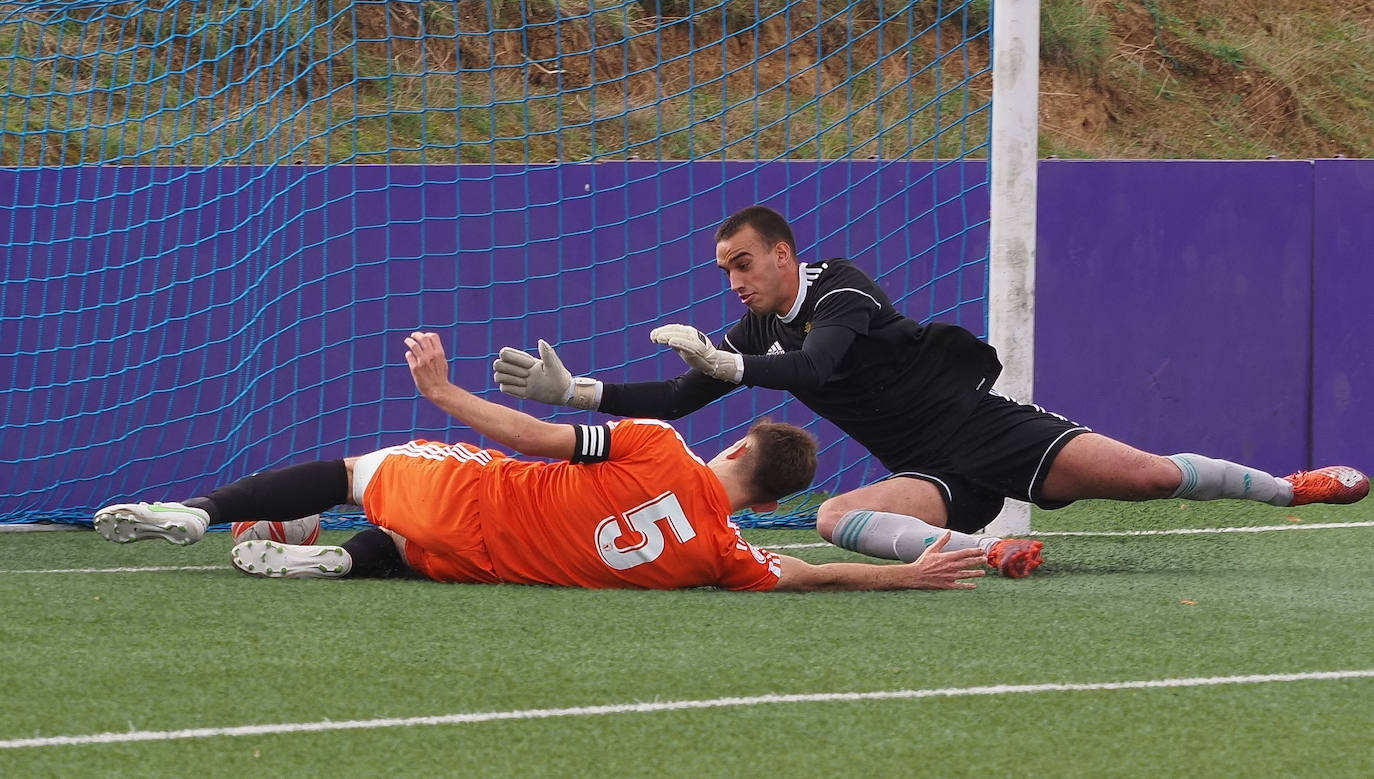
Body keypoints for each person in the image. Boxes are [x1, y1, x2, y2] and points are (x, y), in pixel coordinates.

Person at [493, 204, 1370, 576]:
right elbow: (684, 399)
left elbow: (817, 369)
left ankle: (1294, 485)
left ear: (784, 254)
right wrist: (579, 392)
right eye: (724, 271)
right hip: (924, 466)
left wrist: (729, 365)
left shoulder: (839, 288)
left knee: (1148, 475)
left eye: (743, 265)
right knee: (835, 517)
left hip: (986, 428)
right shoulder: (758, 327)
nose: (734, 284)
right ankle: (993, 554)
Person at [92, 332, 1006, 592]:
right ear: (772, 492)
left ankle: (202, 510)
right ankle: (338, 556)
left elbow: (533, 438)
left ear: (737, 445)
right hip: (481, 566)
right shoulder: (720, 557)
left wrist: (446, 395)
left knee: (354, 470)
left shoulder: (657, 446)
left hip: (466, 494)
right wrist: (907, 576)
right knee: (400, 547)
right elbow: (807, 573)